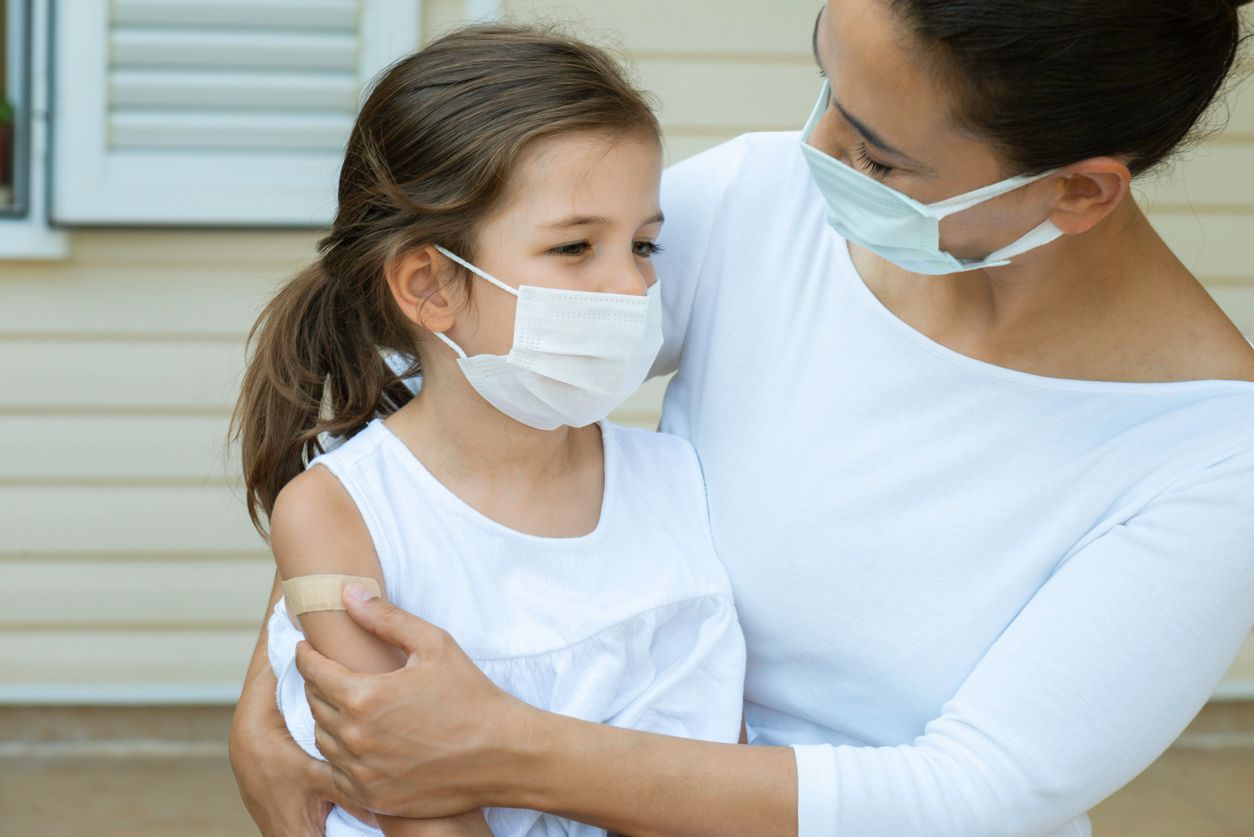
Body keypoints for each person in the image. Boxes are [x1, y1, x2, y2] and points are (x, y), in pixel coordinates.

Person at [230, 1, 1254, 835]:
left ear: (1075, 192)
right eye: (828, 88)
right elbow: (455, 348)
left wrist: (499, 749)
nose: (813, 152)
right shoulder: (772, 201)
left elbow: (970, 795)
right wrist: (310, 666)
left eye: (880, 157)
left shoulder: (1212, 461)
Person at [228, 24, 746, 837]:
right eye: (575, 246)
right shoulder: (336, 513)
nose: (631, 284)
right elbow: (421, 807)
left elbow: (719, 776)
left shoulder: (676, 479)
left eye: (645, 244)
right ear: (430, 286)